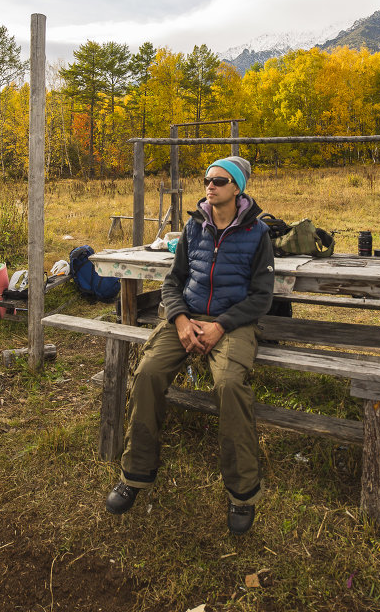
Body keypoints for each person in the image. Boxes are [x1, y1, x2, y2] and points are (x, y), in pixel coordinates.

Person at [105, 155, 274, 535]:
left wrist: (220, 327)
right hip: (186, 318)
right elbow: (172, 281)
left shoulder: (257, 233)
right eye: (206, 179)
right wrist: (180, 320)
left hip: (233, 324)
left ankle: (242, 492)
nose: (209, 186)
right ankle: (135, 474)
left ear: (237, 188)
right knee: (147, 372)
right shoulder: (194, 226)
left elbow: (262, 297)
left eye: (217, 180)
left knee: (229, 386)